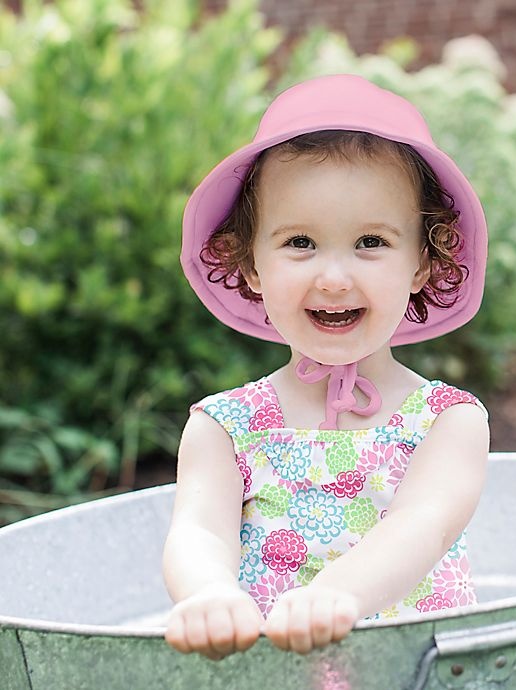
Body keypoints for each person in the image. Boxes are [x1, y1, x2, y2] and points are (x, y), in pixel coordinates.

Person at [163, 74, 490, 661]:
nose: (334, 277)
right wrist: (209, 592)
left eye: (370, 242)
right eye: (300, 243)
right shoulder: (223, 428)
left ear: (421, 262)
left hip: (419, 672)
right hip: (282, 673)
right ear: (252, 265)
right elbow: (199, 530)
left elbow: (423, 524)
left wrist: (334, 594)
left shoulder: (448, 422)